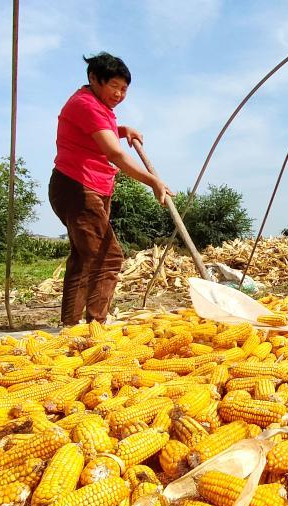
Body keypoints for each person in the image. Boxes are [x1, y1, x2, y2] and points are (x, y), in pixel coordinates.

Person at [48, 52, 172, 326]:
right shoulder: (86, 104)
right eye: (114, 86)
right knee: (108, 257)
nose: (119, 94)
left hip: (91, 187)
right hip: (78, 187)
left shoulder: (95, 104)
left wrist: (122, 129)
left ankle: (70, 326)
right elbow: (114, 153)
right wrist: (153, 181)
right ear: (94, 79)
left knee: (84, 258)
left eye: (124, 89)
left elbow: (100, 130)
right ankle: (96, 326)